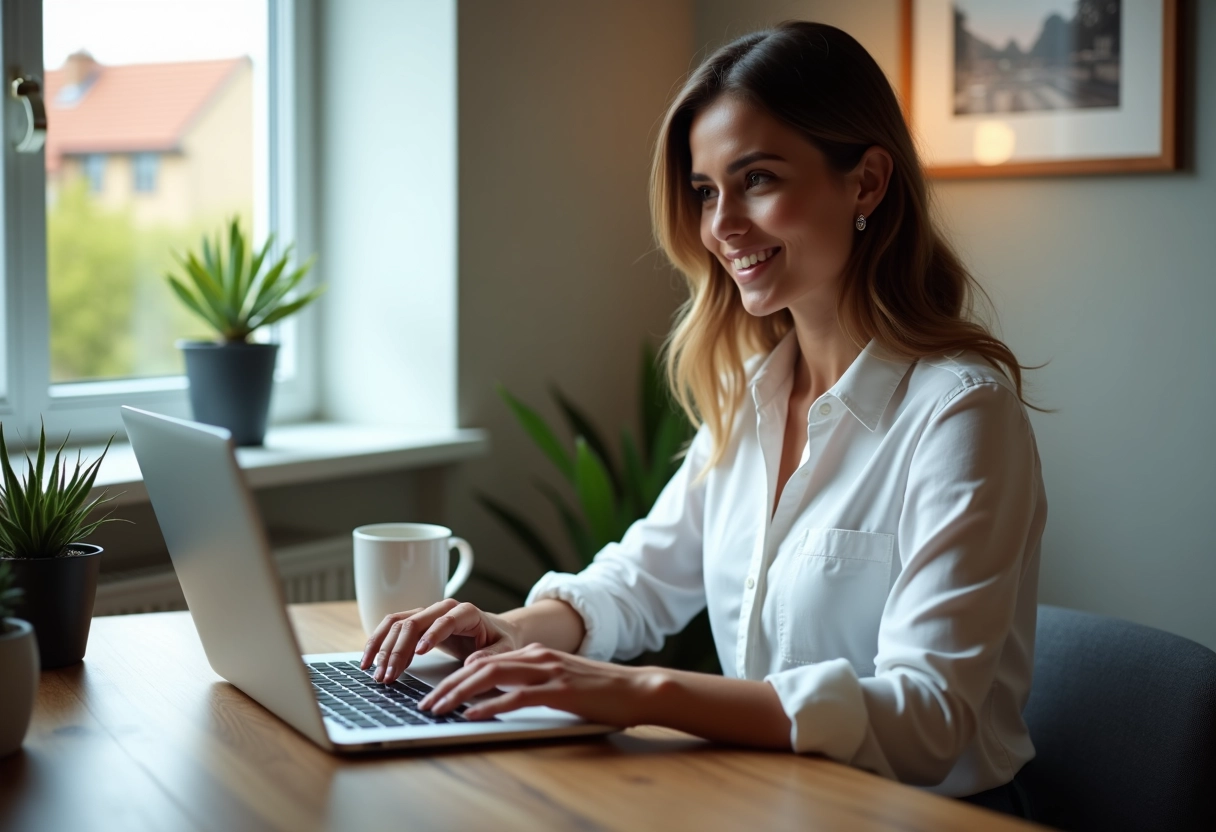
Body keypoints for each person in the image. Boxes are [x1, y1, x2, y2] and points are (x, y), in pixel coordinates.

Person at [361, 21, 1047, 818]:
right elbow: (638, 582)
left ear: (866, 183)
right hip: (775, 800)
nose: (720, 225)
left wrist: (638, 691)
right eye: (705, 190)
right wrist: (511, 632)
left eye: (756, 179)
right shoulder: (751, 393)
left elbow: (926, 719)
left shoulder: (961, 414)